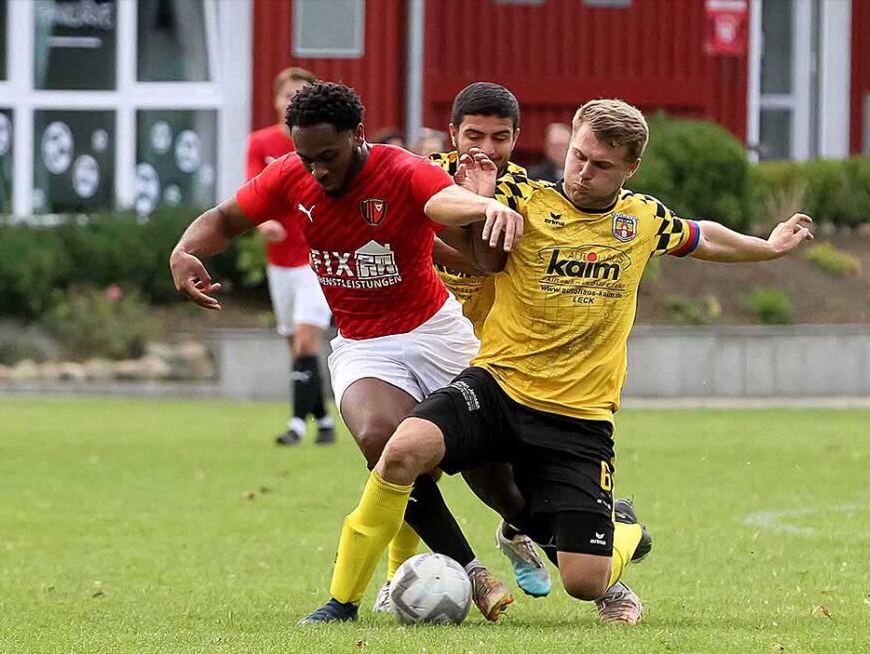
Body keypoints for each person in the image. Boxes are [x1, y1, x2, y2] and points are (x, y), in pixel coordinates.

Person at [301, 98, 814, 625]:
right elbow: (438, 209)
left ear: (630, 168)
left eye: (601, 165)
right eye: (578, 156)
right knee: (401, 448)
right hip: (497, 386)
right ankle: (341, 604)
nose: (583, 172)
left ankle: (624, 528)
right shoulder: (522, 196)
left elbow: (702, 236)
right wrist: (475, 201)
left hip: (579, 417)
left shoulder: (641, 220)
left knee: (583, 580)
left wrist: (767, 247)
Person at [170, 81, 523, 623]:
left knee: (502, 484)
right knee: (381, 439)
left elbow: (440, 199)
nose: (317, 171)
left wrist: (480, 202)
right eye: (307, 158)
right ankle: (469, 572)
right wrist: (184, 249)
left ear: (358, 135)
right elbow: (224, 219)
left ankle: (592, 533)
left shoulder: (399, 168)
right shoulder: (291, 172)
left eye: (329, 157)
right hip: (365, 346)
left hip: (438, 334)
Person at [368, 83, 554, 614]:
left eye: (500, 137)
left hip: (493, 352)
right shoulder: (424, 178)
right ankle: (397, 581)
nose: (486, 148)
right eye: (474, 134)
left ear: (517, 140)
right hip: (421, 340)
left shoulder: (530, 194)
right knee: (405, 459)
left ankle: (519, 533)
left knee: (504, 474)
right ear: (453, 134)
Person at [245, 66, 334, 446]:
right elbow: (250, 192)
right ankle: (325, 420)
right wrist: (262, 223)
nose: (292, 102)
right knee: (295, 348)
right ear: (276, 101)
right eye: (287, 95)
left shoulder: (325, 146)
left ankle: (297, 425)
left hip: (316, 261)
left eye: (301, 96)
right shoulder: (261, 143)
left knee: (306, 343)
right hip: (278, 261)